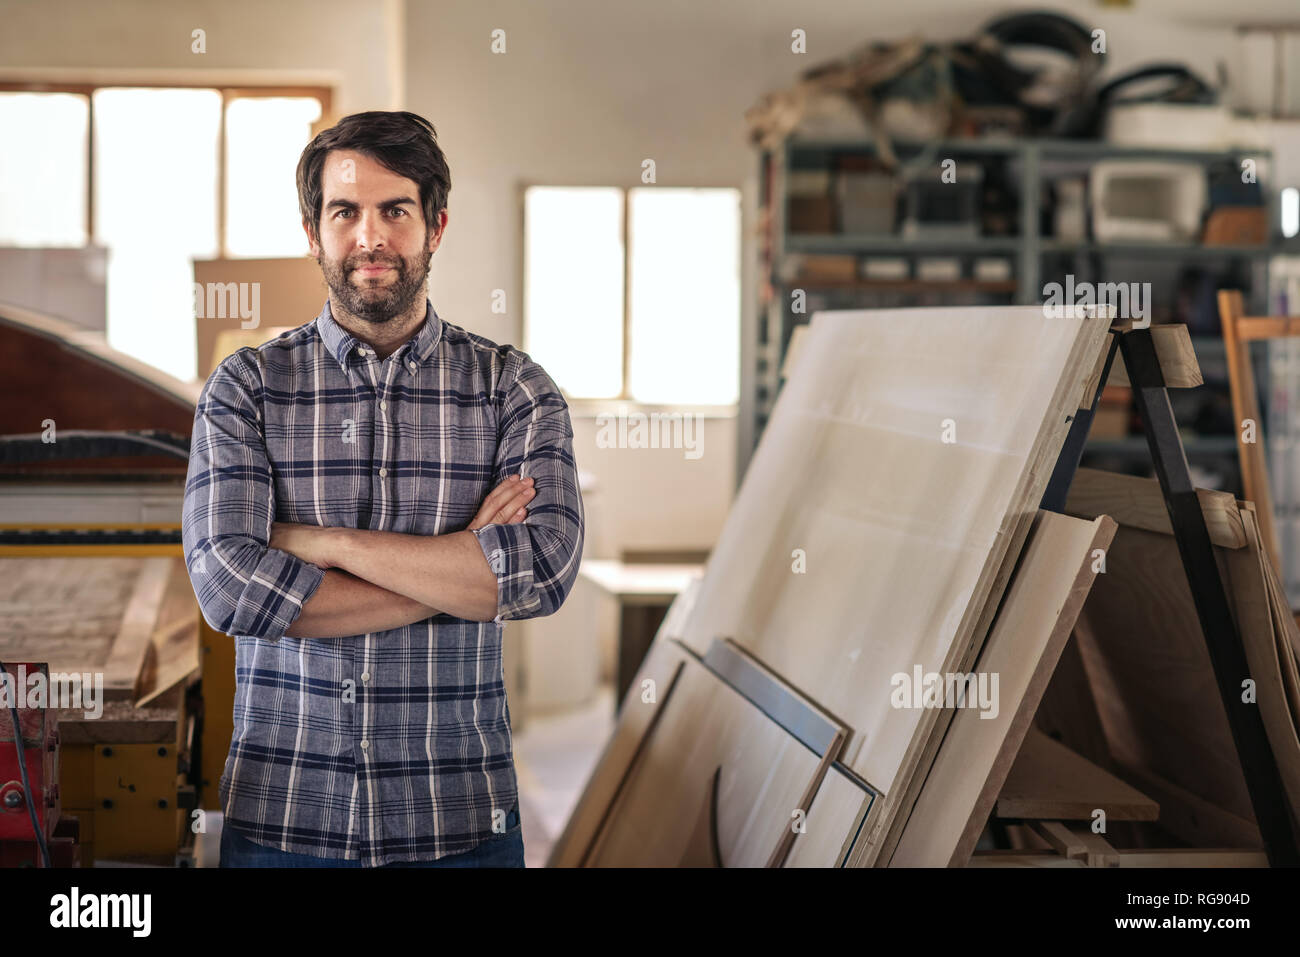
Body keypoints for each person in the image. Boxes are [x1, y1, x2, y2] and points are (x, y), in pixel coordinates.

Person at [181, 110, 584, 868]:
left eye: (395, 210)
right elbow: (229, 588)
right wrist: (464, 568)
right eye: (345, 212)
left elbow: (542, 569)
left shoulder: (513, 390)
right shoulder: (247, 390)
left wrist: (323, 544)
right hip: (285, 819)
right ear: (313, 232)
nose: (371, 237)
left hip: (458, 822)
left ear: (435, 225)